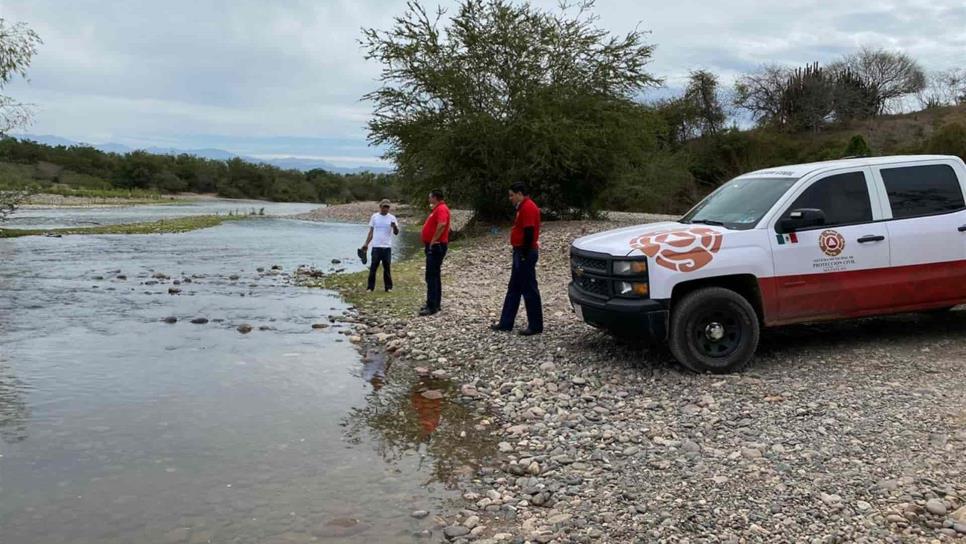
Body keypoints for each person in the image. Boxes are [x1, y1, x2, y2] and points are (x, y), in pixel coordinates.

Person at [491, 182, 543, 335]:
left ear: (520, 193)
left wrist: (524, 255)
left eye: (512, 195)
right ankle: (506, 322)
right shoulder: (522, 207)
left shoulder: (528, 207)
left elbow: (529, 232)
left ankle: (535, 325)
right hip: (520, 252)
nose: (510, 198)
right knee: (514, 287)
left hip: (525, 252)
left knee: (529, 289)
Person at [419, 189, 450, 316]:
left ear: (435, 198)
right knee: (434, 274)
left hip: (436, 246)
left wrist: (433, 241)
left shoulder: (441, 208)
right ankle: (434, 303)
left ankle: (432, 306)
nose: (429, 199)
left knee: (431, 275)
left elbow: (442, 224)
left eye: (430, 197)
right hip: (435, 245)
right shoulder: (437, 209)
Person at [361, 199, 399, 292]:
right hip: (376, 246)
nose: (386, 209)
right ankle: (370, 287)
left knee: (387, 268)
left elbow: (396, 233)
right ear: (380, 207)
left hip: (387, 247)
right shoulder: (375, 217)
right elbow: (371, 232)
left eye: (387, 207)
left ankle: (388, 287)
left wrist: (394, 226)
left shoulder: (392, 218)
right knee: (373, 267)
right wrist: (366, 243)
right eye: (384, 207)